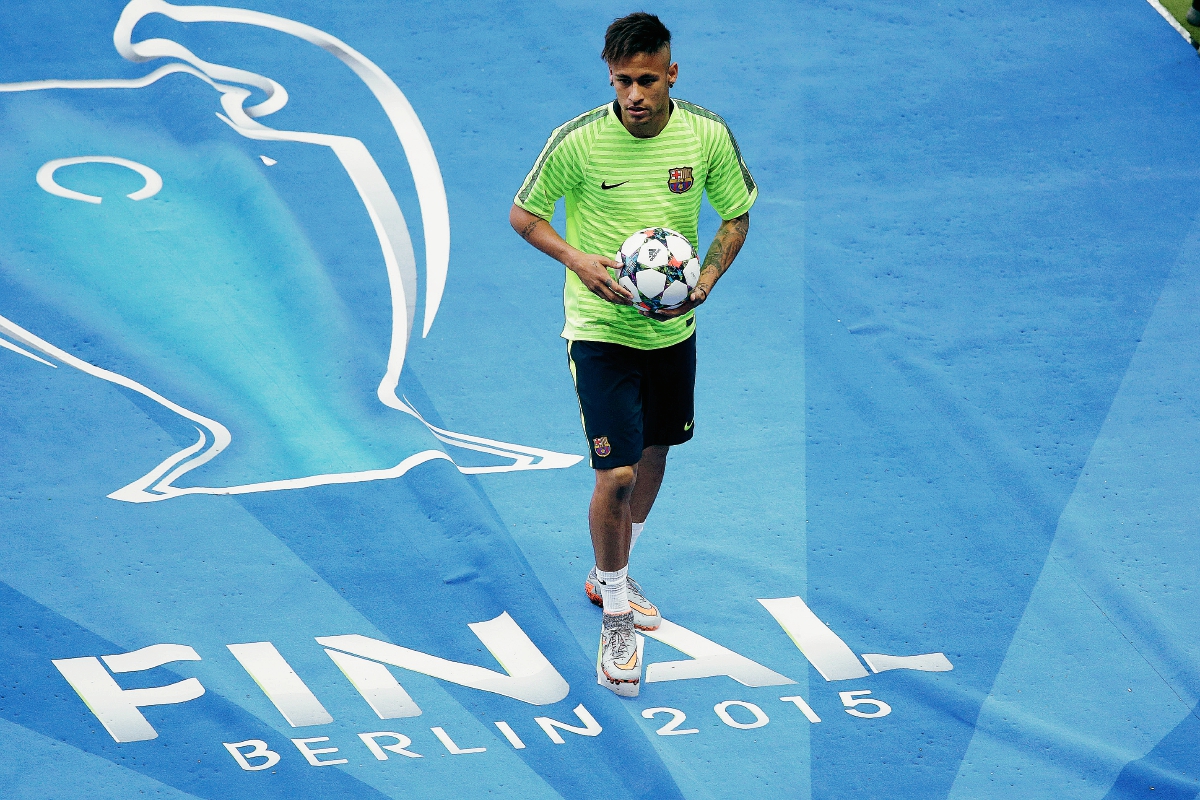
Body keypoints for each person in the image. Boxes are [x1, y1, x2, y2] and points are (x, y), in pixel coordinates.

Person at [509, 11, 755, 694]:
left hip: (672, 330)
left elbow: (735, 215)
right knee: (614, 474)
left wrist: (703, 281)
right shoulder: (579, 143)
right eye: (623, 81)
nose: (635, 95)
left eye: (648, 80)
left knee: (655, 454)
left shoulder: (705, 135)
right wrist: (577, 261)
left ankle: (609, 570)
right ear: (609, 75)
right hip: (600, 330)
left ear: (671, 74)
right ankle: (617, 614)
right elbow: (524, 215)